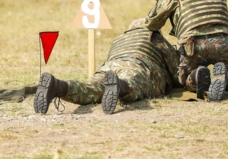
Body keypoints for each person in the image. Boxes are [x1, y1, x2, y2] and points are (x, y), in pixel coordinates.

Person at [34, 19, 180, 115]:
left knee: (90, 88)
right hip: (138, 65)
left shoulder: (119, 39)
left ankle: (59, 86)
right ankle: (120, 86)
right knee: (133, 85)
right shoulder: (156, 38)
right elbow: (176, 72)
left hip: (110, 66)